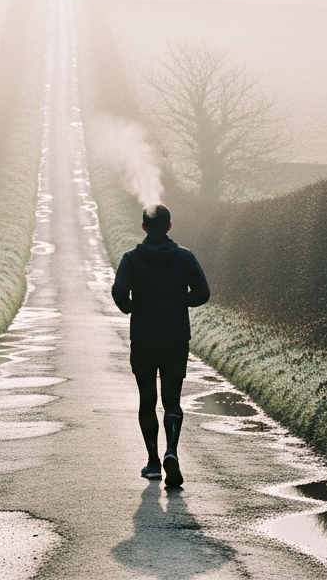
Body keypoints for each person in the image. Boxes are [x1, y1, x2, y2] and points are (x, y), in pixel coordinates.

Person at [111, 204, 210, 487]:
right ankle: (172, 452)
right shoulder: (184, 258)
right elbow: (203, 293)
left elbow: (119, 292)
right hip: (175, 337)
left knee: (147, 400)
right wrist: (180, 302)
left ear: (144, 227)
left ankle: (153, 462)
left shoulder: (132, 259)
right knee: (172, 400)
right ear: (169, 226)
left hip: (143, 338)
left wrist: (130, 307)